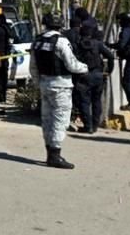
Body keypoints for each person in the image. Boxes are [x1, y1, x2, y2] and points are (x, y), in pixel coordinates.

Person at [30, 12, 88, 169]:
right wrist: (86, 67)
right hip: (61, 85)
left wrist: (38, 83)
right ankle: (55, 156)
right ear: (61, 24)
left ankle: (50, 153)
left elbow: (33, 67)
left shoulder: (37, 41)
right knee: (60, 120)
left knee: (47, 119)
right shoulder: (61, 41)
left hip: (44, 84)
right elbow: (72, 64)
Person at [72, 19, 115, 134]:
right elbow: (110, 56)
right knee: (96, 101)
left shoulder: (77, 44)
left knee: (84, 102)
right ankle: (95, 125)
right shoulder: (97, 44)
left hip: (83, 75)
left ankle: (88, 126)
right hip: (98, 75)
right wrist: (109, 71)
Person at [0, 13, 16, 102]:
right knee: (3, 76)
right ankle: (3, 95)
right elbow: (12, 40)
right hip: (6, 55)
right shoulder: (8, 29)